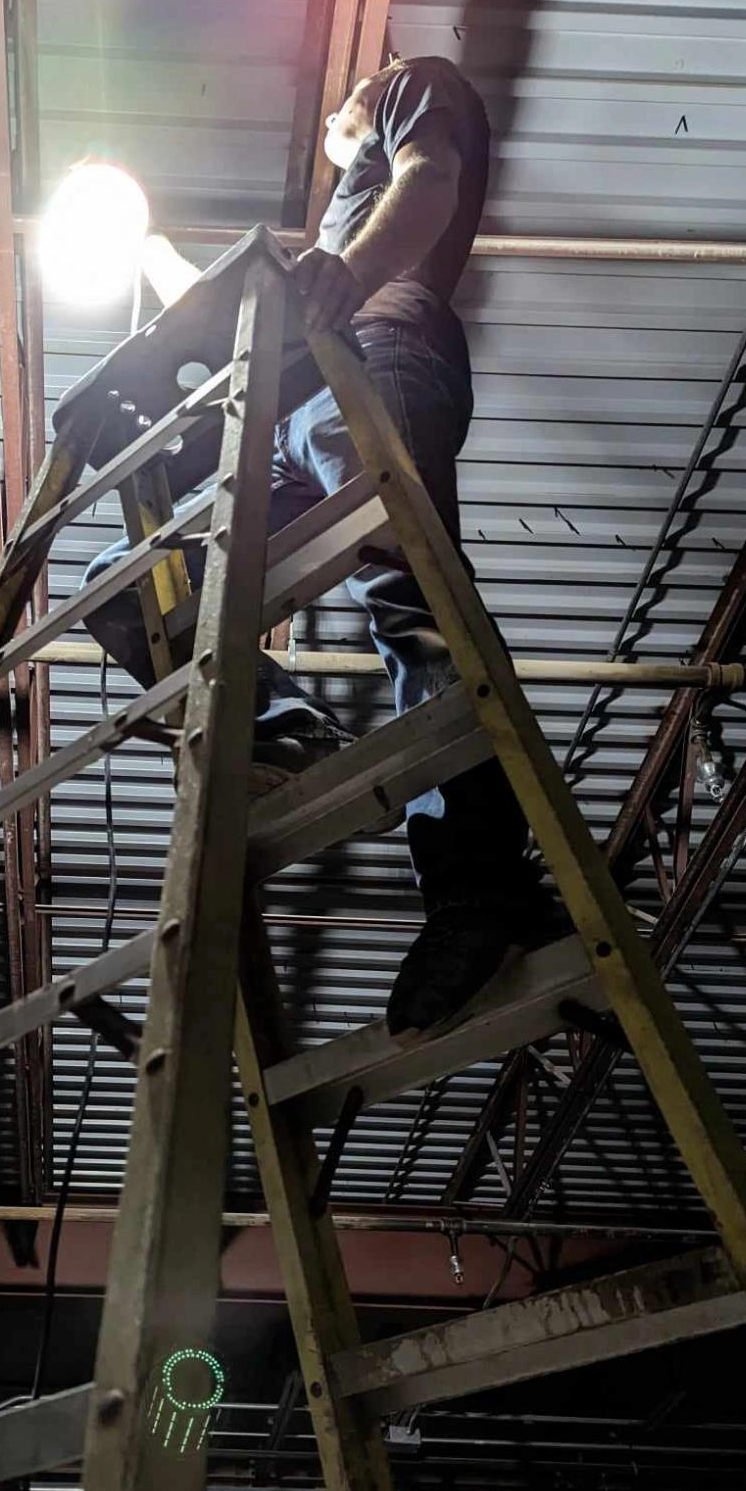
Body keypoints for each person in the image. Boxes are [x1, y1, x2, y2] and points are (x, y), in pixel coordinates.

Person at [82, 55, 558, 1037]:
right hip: (293, 395)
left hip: (379, 348)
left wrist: (352, 269)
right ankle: (285, 730)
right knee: (128, 587)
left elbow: (431, 180)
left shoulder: (407, 88)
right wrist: (147, 244)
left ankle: (477, 887)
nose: (337, 128)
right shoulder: (338, 224)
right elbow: (240, 304)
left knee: (406, 578)